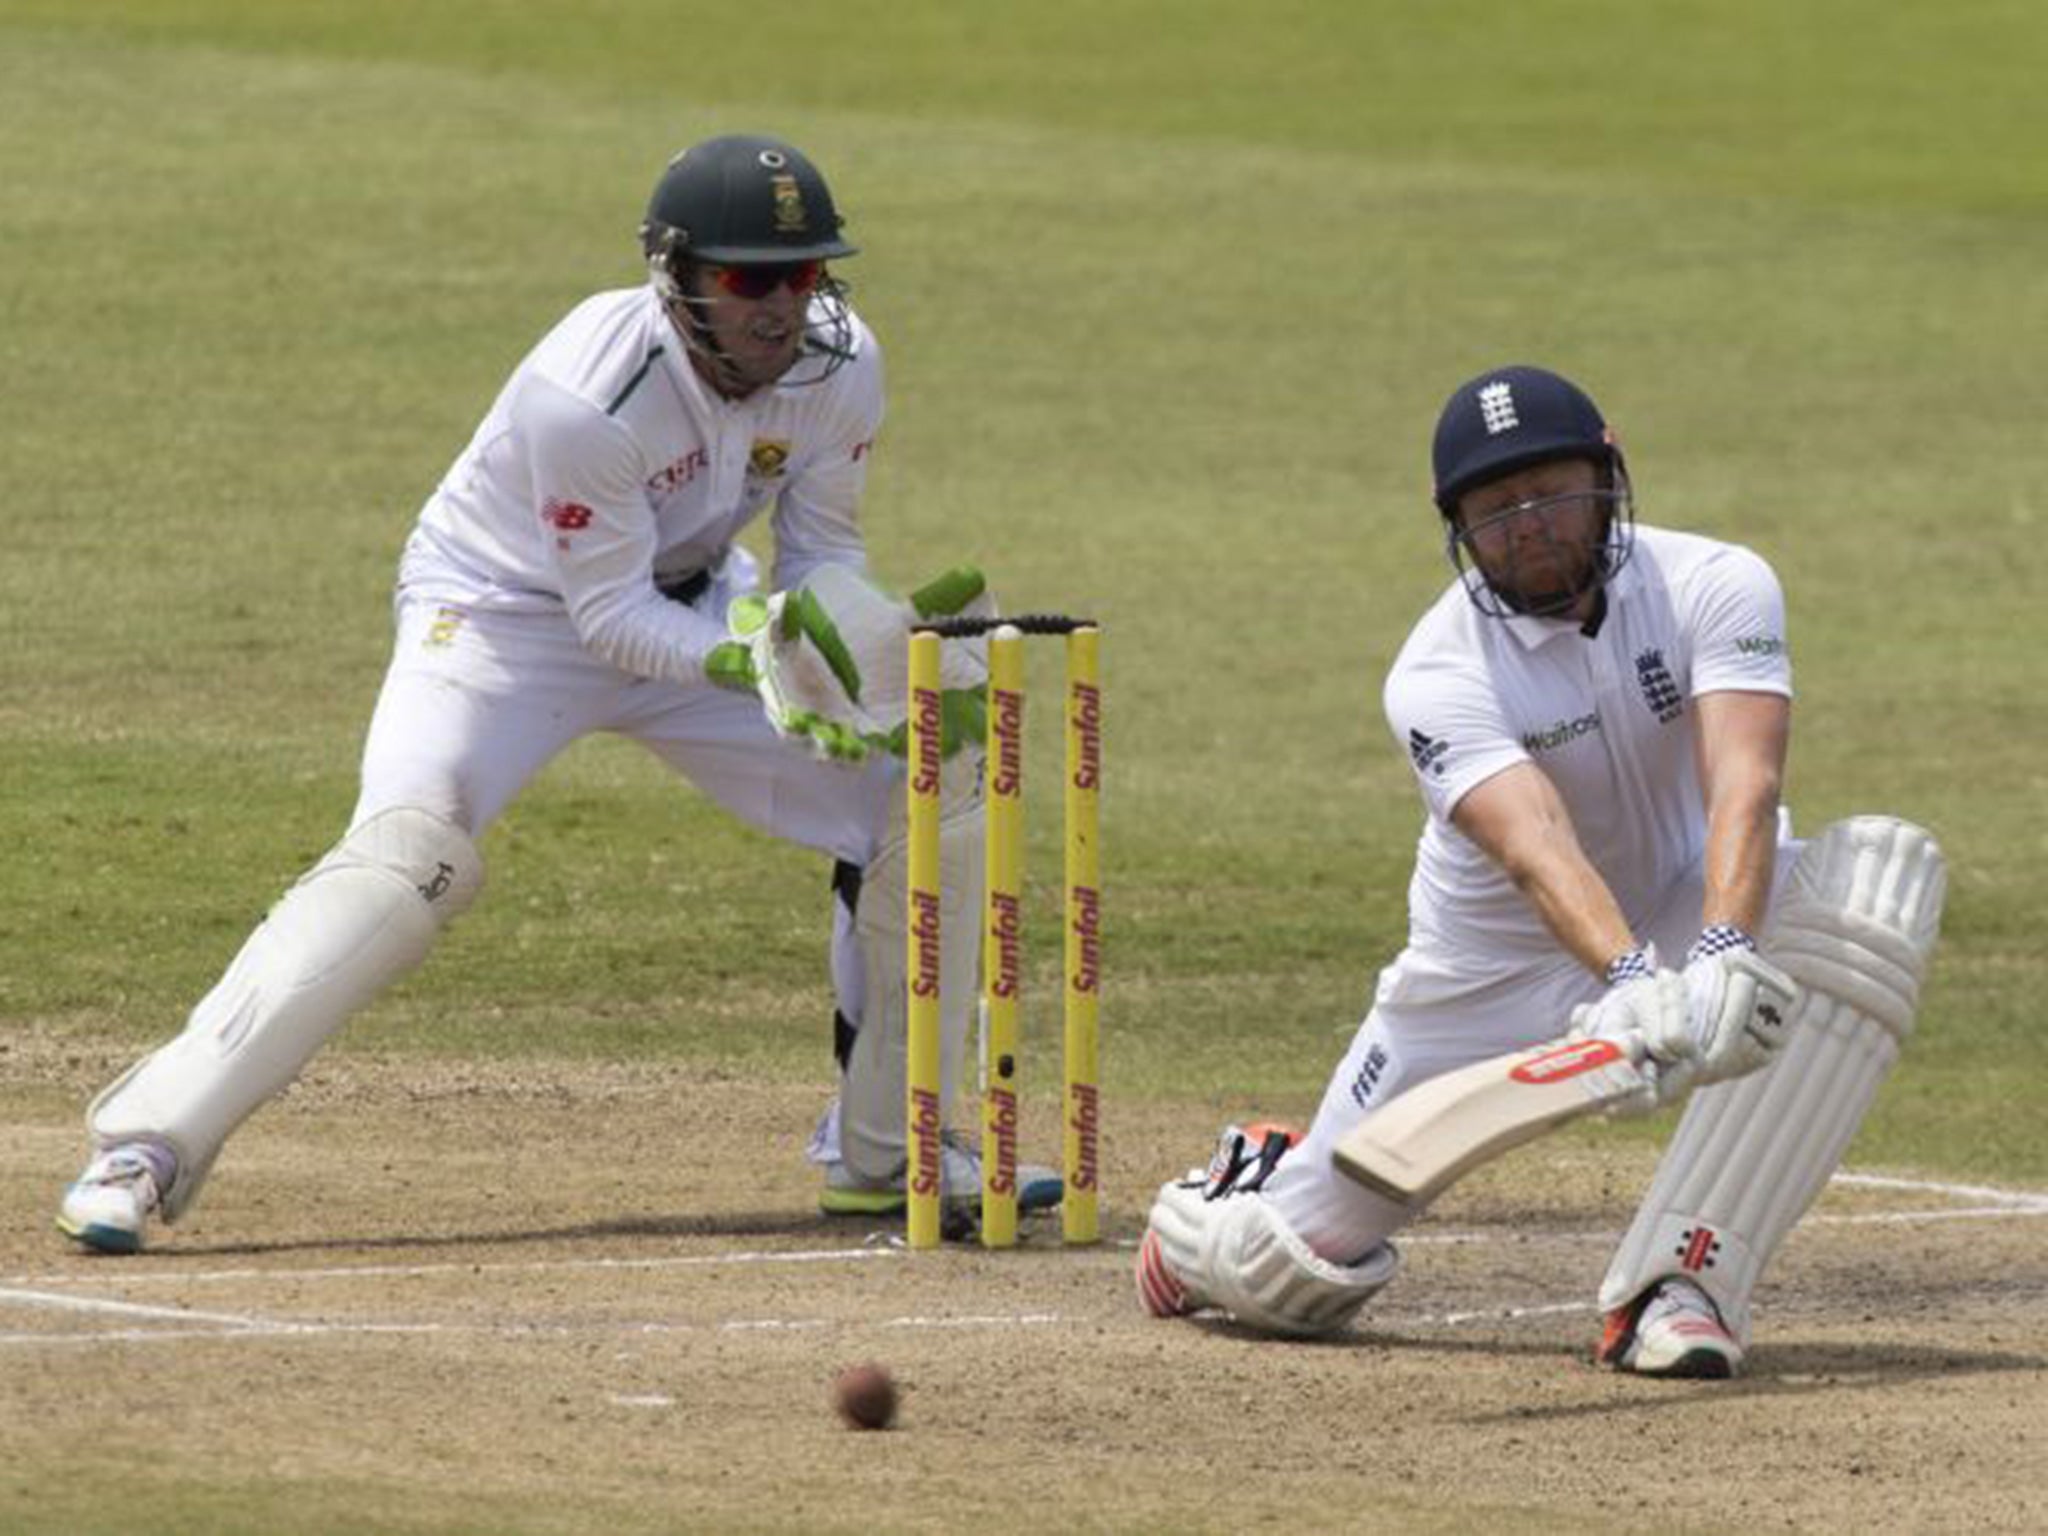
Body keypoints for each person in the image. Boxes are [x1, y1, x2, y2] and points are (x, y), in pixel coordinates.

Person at [57, 133, 1058, 1254]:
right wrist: (747, 659)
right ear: (677, 275)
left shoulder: (842, 365)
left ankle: (893, 1150)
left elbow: (817, 548)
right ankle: (143, 1149)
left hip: (696, 602)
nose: (780, 309)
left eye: (803, 275)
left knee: (930, 779)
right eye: (746, 279)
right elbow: (606, 623)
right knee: (412, 851)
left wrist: (848, 637)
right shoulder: (587, 397)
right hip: (500, 615)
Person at [1134, 364, 1946, 1376]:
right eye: (1494, 508)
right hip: (1485, 972)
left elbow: (1744, 781)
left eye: (1550, 491)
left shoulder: (1715, 581)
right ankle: (1234, 1192)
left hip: (1686, 899)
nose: (1527, 524)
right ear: (1457, 530)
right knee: (1281, 1277)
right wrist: (1633, 983)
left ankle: (1681, 1285)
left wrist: (1724, 951)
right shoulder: (1434, 672)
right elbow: (1534, 848)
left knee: (1875, 880)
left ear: (1607, 477)